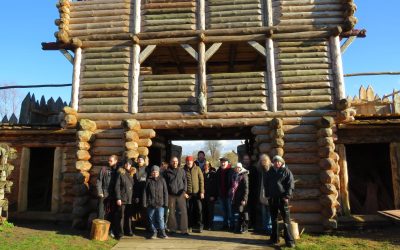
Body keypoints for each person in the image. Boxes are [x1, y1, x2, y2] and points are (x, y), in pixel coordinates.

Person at [264, 155, 295, 248]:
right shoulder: (269, 172)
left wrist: (287, 196)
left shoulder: (286, 171)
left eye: (279, 161)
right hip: (272, 199)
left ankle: (289, 240)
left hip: (282, 199)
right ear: (273, 162)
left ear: (282, 162)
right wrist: (267, 195)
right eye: (275, 161)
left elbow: (291, 185)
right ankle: (274, 238)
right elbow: (266, 184)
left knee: (286, 220)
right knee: (274, 220)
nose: (277, 163)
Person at [164, 156, 189, 236]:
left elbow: (185, 181)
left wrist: (184, 191)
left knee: (184, 212)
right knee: (171, 212)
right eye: (173, 161)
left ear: (178, 162)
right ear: (171, 162)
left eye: (176, 161)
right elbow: (165, 184)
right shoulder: (167, 172)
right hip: (171, 195)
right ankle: (172, 229)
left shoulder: (182, 171)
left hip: (181, 194)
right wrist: (167, 193)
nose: (175, 163)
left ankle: (184, 230)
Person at [96, 155, 120, 238]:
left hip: (114, 196)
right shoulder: (104, 169)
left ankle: (110, 230)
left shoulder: (119, 170)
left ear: (116, 161)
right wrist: (100, 192)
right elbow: (99, 181)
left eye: (111, 161)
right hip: (104, 194)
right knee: (101, 213)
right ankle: (99, 232)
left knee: (112, 214)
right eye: (109, 160)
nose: (109, 162)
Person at [143, 165, 169, 239]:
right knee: (151, 218)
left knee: (161, 218)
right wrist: (145, 203)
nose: (155, 173)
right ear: (151, 173)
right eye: (153, 172)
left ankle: (162, 232)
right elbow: (145, 192)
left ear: (159, 172)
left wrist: (166, 203)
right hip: (150, 203)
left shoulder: (162, 180)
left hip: (160, 203)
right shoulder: (148, 180)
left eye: (156, 172)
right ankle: (154, 232)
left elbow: (165, 192)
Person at [115, 159, 135, 239]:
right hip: (122, 198)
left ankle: (128, 230)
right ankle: (120, 232)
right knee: (121, 216)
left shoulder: (132, 174)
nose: (128, 165)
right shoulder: (121, 174)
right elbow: (117, 187)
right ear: (124, 165)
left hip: (130, 199)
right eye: (126, 164)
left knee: (129, 216)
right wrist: (118, 198)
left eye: (129, 164)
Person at [184, 155, 205, 233]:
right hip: (188, 194)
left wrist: (202, 192)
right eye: (187, 161)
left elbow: (201, 181)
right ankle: (190, 226)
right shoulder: (183, 170)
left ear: (192, 161)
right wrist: (184, 192)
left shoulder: (198, 169)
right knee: (189, 210)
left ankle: (199, 225)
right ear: (186, 162)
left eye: (190, 161)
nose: (189, 162)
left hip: (197, 193)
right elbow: (182, 182)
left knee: (199, 210)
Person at [229, 163, 249, 234]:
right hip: (235, 197)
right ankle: (238, 228)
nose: (237, 169)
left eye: (238, 168)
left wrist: (244, 199)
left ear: (240, 168)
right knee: (239, 213)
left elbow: (246, 188)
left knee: (243, 213)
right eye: (236, 167)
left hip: (241, 198)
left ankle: (244, 227)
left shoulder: (244, 176)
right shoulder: (234, 175)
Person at [215, 157, 234, 230]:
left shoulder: (231, 171)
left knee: (230, 211)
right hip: (221, 194)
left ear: (227, 163)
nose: (223, 163)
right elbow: (216, 183)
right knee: (223, 211)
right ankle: (225, 225)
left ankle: (231, 225)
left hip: (229, 195)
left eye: (224, 162)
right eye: (221, 162)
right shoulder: (218, 171)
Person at [257, 154, 272, 235]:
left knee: (269, 213)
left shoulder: (272, 168)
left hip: (270, 194)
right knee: (263, 213)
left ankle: (269, 229)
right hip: (262, 194)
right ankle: (264, 228)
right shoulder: (260, 170)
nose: (263, 162)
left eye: (264, 160)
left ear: (268, 161)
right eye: (262, 160)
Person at [241, 154, 258, 230]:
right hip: (243, 193)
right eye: (245, 159)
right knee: (244, 209)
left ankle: (253, 224)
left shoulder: (253, 169)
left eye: (247, 159)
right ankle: (245, 224)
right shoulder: (241, 169)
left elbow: (256, 181)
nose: (246, 160)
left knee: (252, 209)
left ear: (249, 160)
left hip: (252, 192)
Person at [133, 155, 149, 229]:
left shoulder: (147, 169)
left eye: (141, 159)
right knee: (134, 209)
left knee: (144, 209)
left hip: (144, 192)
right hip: (135, 191)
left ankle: (146, 226)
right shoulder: (134, 168)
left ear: (144, 161)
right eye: (139, 159)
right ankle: (133, 226)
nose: (140, 160)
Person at [202, 161, 217, 231]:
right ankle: (205, 225)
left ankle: (211, 225)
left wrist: (213, 195)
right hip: (203, 195)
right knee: (204, 210)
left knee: (210, 211)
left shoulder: (213, 174)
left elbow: (215, 186)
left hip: (210, 195)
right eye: (205, 165)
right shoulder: (202, 173)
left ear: (210, 165)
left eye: (207, 165)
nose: (206, 166)